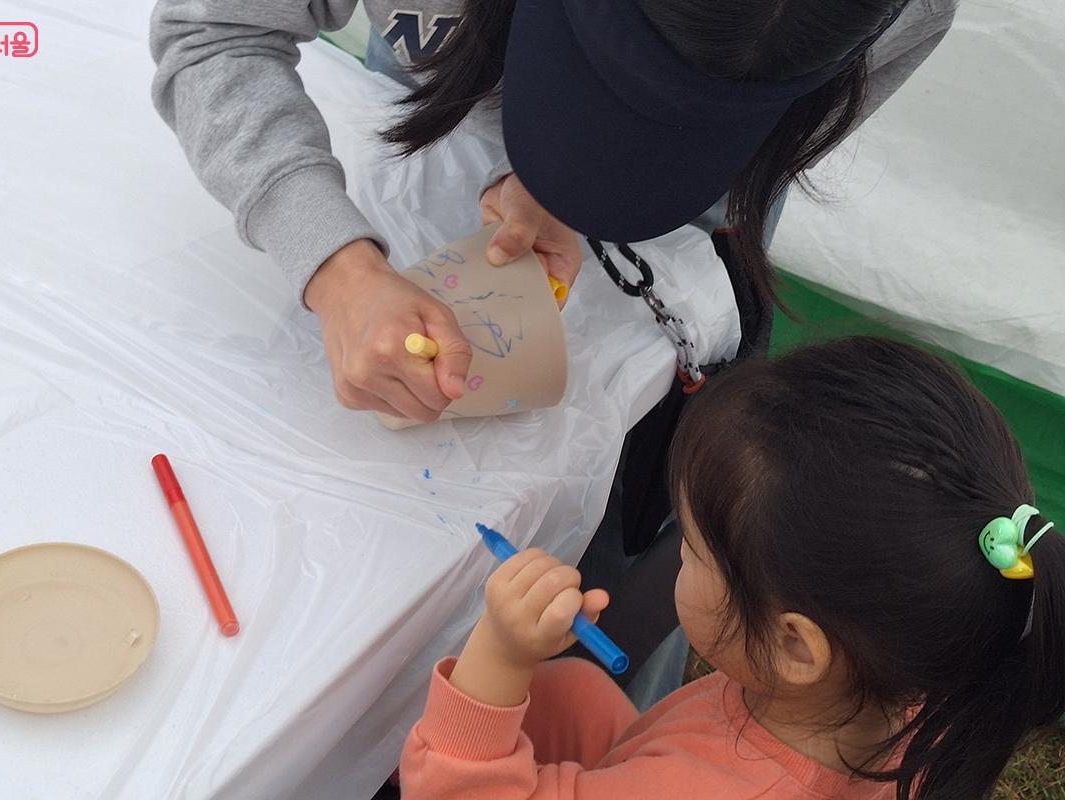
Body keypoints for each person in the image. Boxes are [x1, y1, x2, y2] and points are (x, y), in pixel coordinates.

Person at [149, 0, 958, 423]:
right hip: (427, 107)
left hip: (675, 219)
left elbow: (760, 162)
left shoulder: (902, 11)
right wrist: (336, 266)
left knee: (634, 468)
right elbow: (215, 31)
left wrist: (571, 179)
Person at [398, 337, 1064, 799]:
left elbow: (448, 793)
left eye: (689, 549)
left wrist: (500, 655)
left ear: (793, 644)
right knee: (573, 693)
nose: (679, 558)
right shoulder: (920, 674)